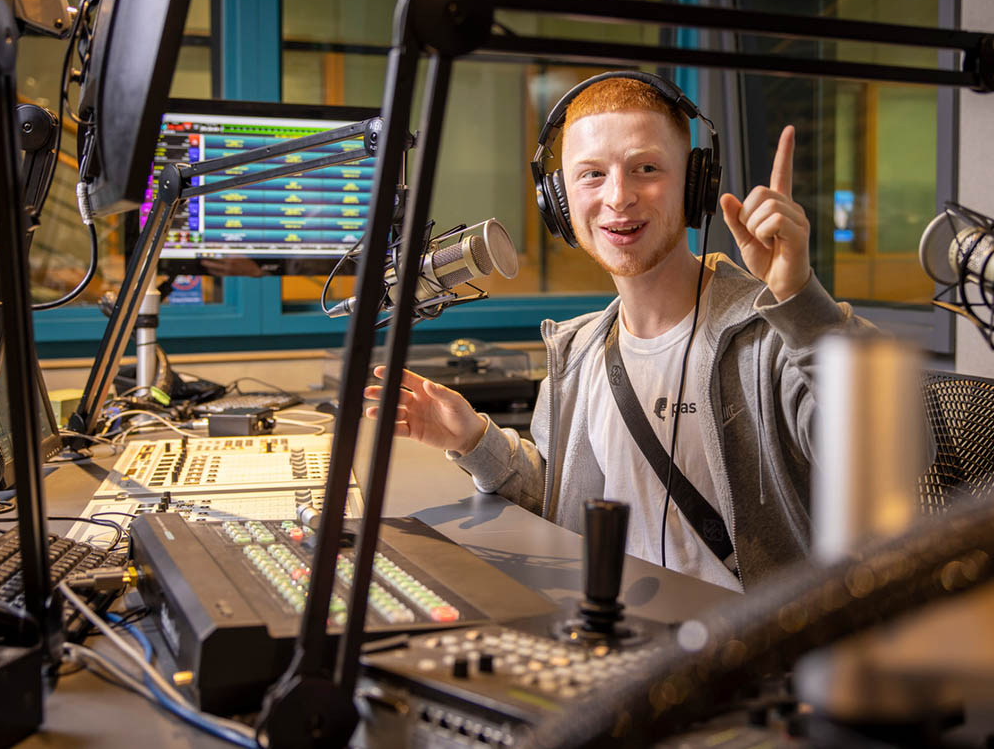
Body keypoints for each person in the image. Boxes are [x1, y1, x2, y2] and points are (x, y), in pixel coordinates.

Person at [364, 73, 873, 590]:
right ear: (559, 202)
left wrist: (800, 298)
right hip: (620, 645)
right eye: (591, 175)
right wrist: (473, 439)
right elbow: (569, 507)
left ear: (694, 183)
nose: (618, 197)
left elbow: (894, 448)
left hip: (747, 654)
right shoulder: (581, 349)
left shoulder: (770, 334)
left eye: (646, 168)